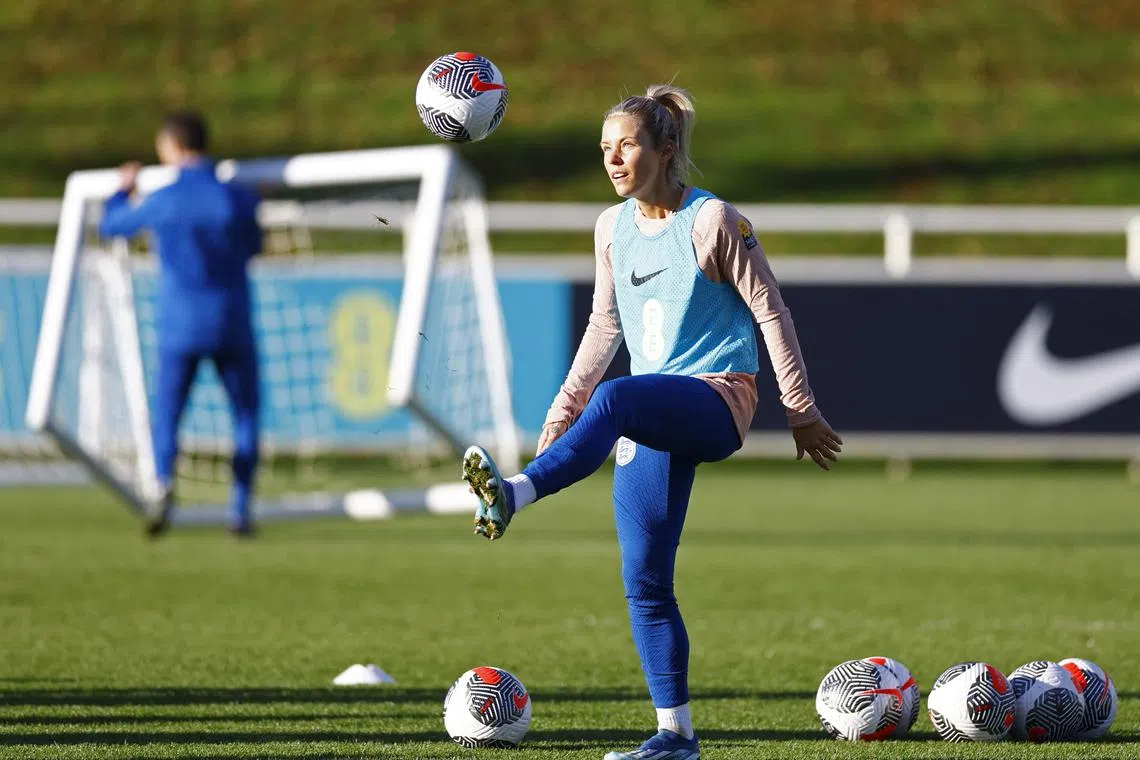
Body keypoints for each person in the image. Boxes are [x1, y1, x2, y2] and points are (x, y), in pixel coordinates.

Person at [462, 85, 843, 759]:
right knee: (644, 582)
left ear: (666, 150)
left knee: (618, 398)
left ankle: (514, 494)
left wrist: (800, 408)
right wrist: (562, 409)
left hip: (717, 399)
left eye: (628, 144)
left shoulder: (713, 220)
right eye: (605, 148)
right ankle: (677, 736)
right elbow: (605, 323)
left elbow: (770, 312)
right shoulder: (611, 227)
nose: (613, 158)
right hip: (647, 412)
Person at [99, 110, 263, 538]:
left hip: (179, 324)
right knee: (245, 415)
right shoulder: (238, 198)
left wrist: (122, 192)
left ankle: (163, 486)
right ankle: (240, 511)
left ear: (171, 146)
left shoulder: (164, 198)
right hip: (231, 318)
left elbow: (112, 226)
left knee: (169, 415)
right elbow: (254, 243)